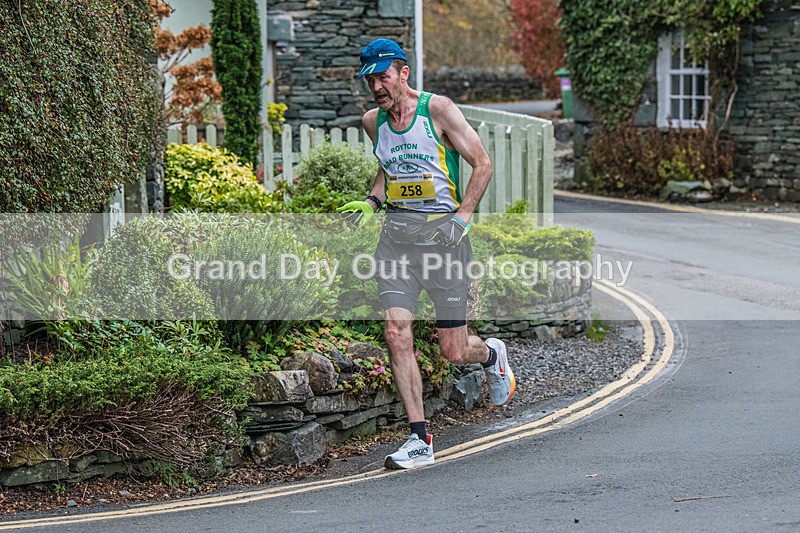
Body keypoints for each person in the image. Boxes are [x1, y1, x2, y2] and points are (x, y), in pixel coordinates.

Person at [337, 38, 515, 470]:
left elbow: (483, 163)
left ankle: (491, 355)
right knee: (397, 331)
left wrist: (463, 215)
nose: (377, 87)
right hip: (397, 240)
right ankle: (419, 439)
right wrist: (373, 201)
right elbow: (388, 167)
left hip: (443, 241)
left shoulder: (438, 110)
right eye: (370, 79)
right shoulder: (371, 122)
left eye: (383, 76)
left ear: (403, 73)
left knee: (454, 350)